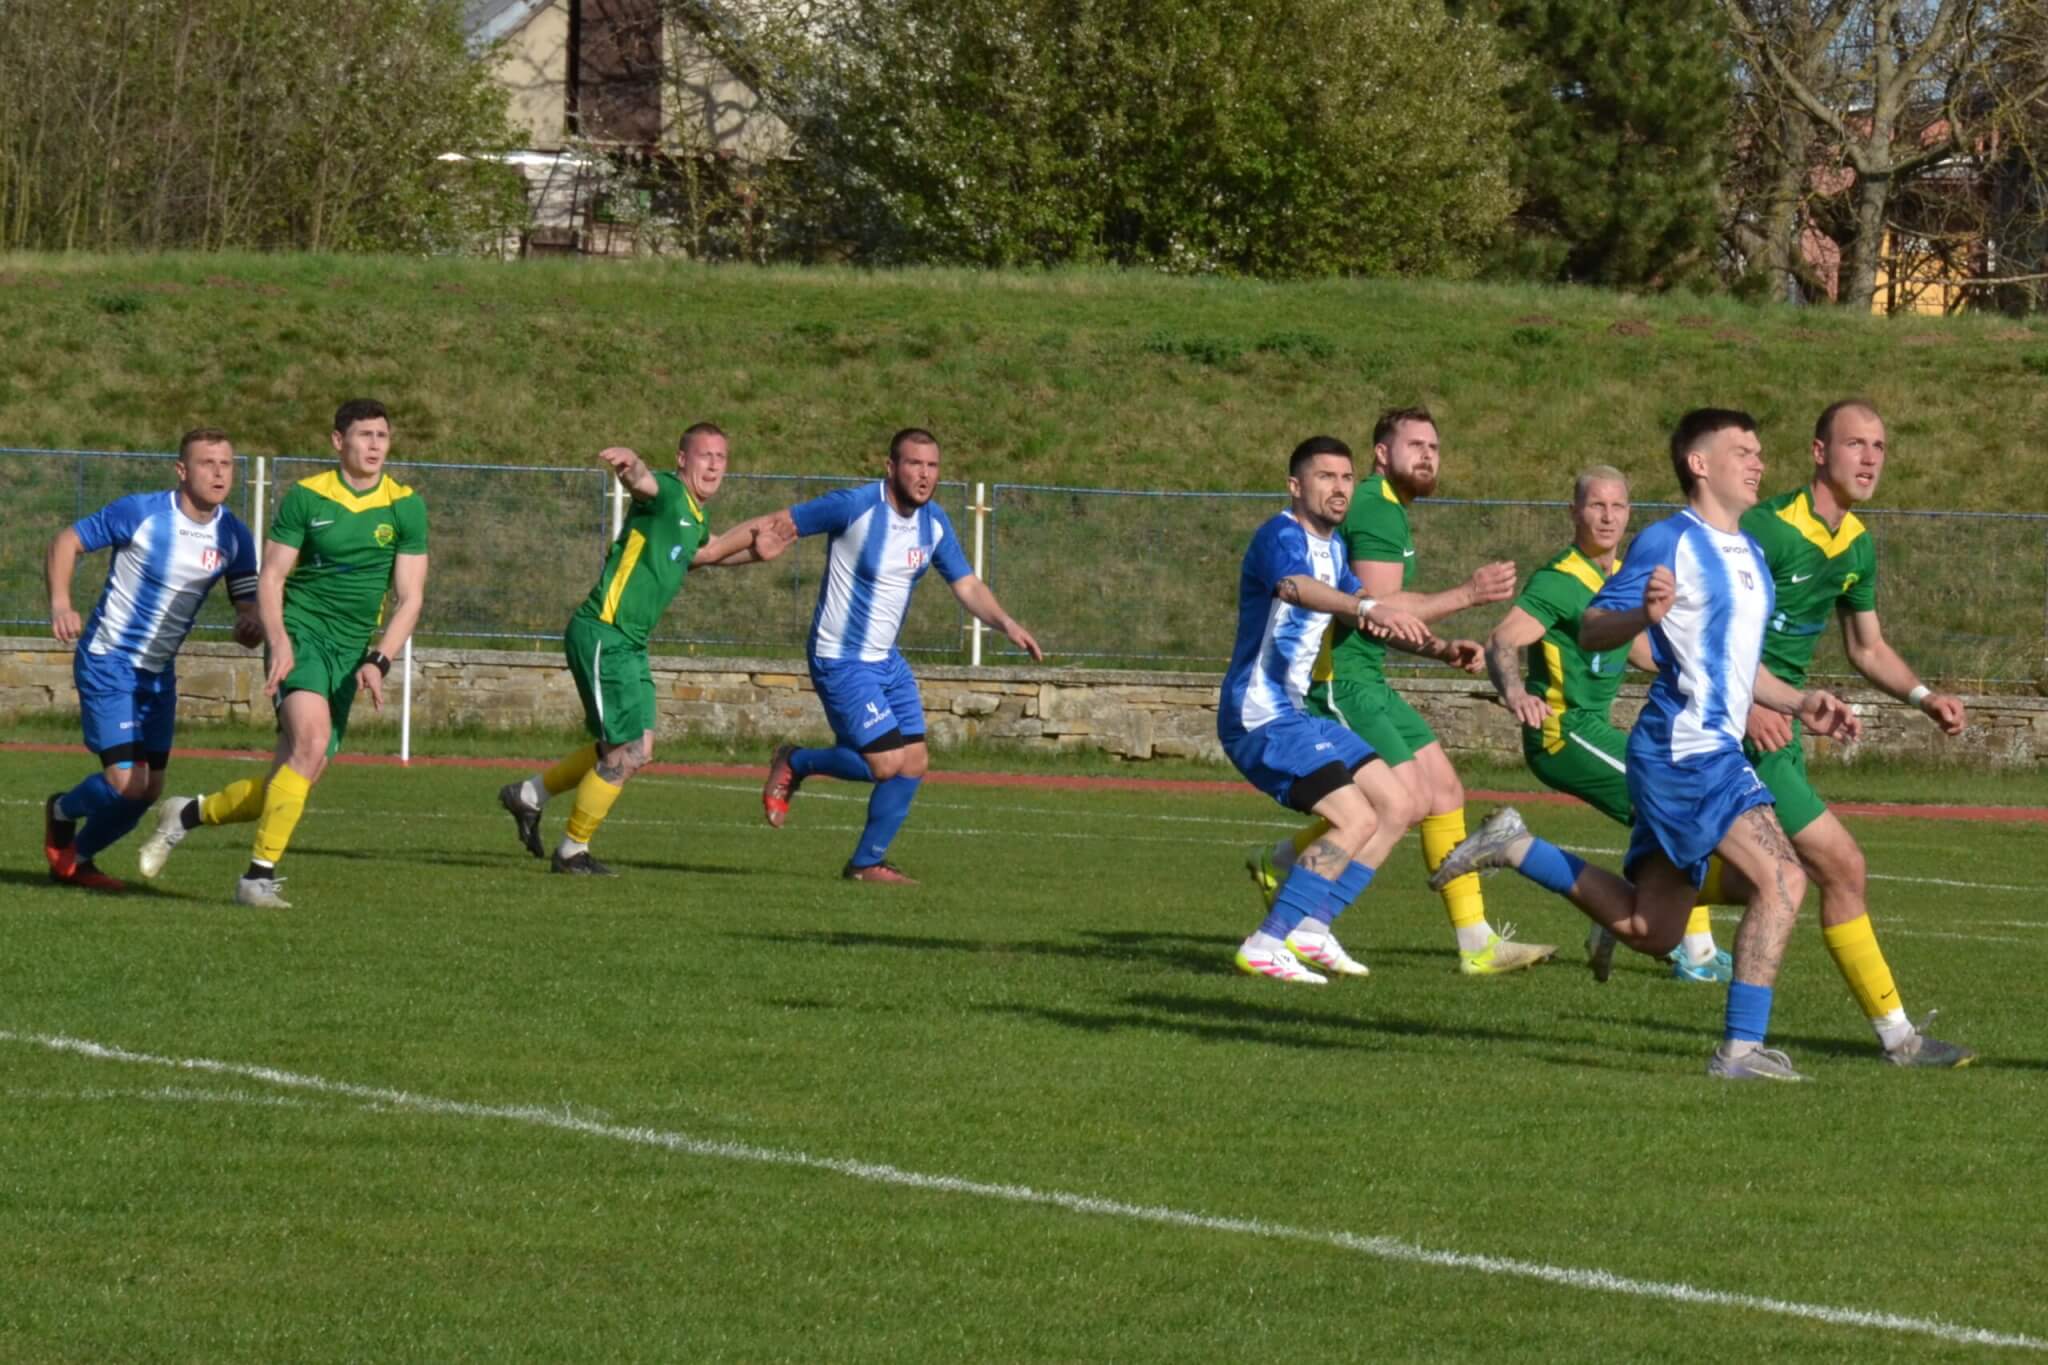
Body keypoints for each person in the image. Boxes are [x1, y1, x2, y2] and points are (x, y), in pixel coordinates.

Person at [1431, 408, 1862, 1081]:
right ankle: (1740, 1051)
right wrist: (1643, 614)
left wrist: (1802, 702)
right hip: (1687, 751)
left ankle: (1515, 847)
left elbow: (1738, 667)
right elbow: (1594, 626)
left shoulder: (1750, 555)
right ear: (1699, 464)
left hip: (1701, 749)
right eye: (1743, 451)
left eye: (1758, 452)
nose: (1758, 463)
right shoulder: (1669, 540)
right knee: (1783, 878)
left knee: (1649, 928)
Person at [1256, 406, 1555, 975]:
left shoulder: (1387, 506)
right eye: (1414, 445)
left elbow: (1378, 613)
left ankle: (1477, 943)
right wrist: (1468, 594)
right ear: (1381, 453)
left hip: (1369, 677)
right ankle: (1295, 884)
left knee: (1445, 792)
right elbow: (1375, 611)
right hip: (1342, 681)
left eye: (1434, 447)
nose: (1427, 456)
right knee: (1404, 802)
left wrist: (1439, 649)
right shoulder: (1376, 507)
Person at [1734, 399, 1974, 1067]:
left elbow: (1867, 647)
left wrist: (1925, 697)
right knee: (1841, 866)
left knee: (1763, 876)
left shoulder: (1857, 543)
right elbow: (1706, 621)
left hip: (1783, 720)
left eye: (1879, 446)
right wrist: (1748, 698)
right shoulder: (1766, 527)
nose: (1870, 458)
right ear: (1819, 452)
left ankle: (1637, 908)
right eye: (1855, 444)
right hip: (1746, 723)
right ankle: (1899, 1038)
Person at [136, 399, 428, 908]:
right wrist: (282, 641)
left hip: (351, 650)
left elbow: (411, 598)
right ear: (338, 441)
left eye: (382, 435)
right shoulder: (307, 497)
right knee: (310, 742)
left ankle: (186, 813)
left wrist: (379, 659)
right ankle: (257, 879)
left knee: (292, 779)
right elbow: (271, 578)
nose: (375, 445)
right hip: (301, 634)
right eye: (364, 435)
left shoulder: (405, 506)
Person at [496, 425, 790, 874]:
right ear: (682, 459)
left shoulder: (693, 516)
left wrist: (756, 550)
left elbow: (708, 553)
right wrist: (631, 465)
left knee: (639, 748)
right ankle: (571, 851)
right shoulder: (669, 492)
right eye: (705, 455)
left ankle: (529, 795)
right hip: (605, 632)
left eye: (721, 457)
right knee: (624, 752)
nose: (714, 465)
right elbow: (644, 484)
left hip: (630, 644)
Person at [1479, 466, 1732, 984]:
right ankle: (1694, 951)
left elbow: (1639, 650)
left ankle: (1616, 916)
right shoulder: (1559, 579)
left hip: (1590, 729)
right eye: (1596, 505)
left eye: (1618, 506)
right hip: (1562, 732)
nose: (1608, 517)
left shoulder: (1619, 578)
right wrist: (1515, 692)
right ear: (1574, 512)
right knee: (1679, 809)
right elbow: (1503, 639)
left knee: (1673, 817)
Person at [757, 428, 1042, 883]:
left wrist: (1006, 623)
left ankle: (866, 864)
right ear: (891, 467)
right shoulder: (854, 506)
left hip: (886, 660)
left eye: (932, 465)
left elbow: (966, 584)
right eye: (914, 464)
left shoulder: (934, 523)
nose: (924, 475)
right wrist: (711, 551)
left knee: (913, 762)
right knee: (886, 763)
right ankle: (796, 761)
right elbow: (776, 523)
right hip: (841, 658)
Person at [1219, 436, 1430, 983]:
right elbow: (1295, 588)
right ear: (1296, 486)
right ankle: (1267, 943)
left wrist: (1444, 648)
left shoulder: (1335, 551)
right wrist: (1365, 605)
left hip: (1296, 713)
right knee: (1355, 818)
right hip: (1259, 715)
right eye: (1325, 477)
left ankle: (1312, 928)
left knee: (1399, 804)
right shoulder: (1279, 536)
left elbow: (1366, 614)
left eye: (1346, 478)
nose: (1339, 488)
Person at [42, 428, 261, 890]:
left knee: (149, 791)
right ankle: (61, 811)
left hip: (159, 674)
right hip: (109, 659)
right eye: (207, 463)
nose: (219, 473)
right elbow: (66, 541)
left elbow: (248, 614)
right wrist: (61, 603)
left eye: (226, 464)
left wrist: (250, 626)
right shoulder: (141, 513)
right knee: (127, 782)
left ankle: (77, 860)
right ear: (182, 470)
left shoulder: (235, 536)